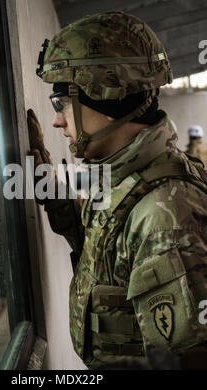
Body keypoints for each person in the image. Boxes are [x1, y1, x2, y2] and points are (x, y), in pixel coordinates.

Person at [28, 11, 207, 369]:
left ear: (102, 97)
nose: (56, 119)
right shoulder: (129, 179)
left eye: (61, 103)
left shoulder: (163, 218)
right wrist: (52, 190)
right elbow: (108, 252)